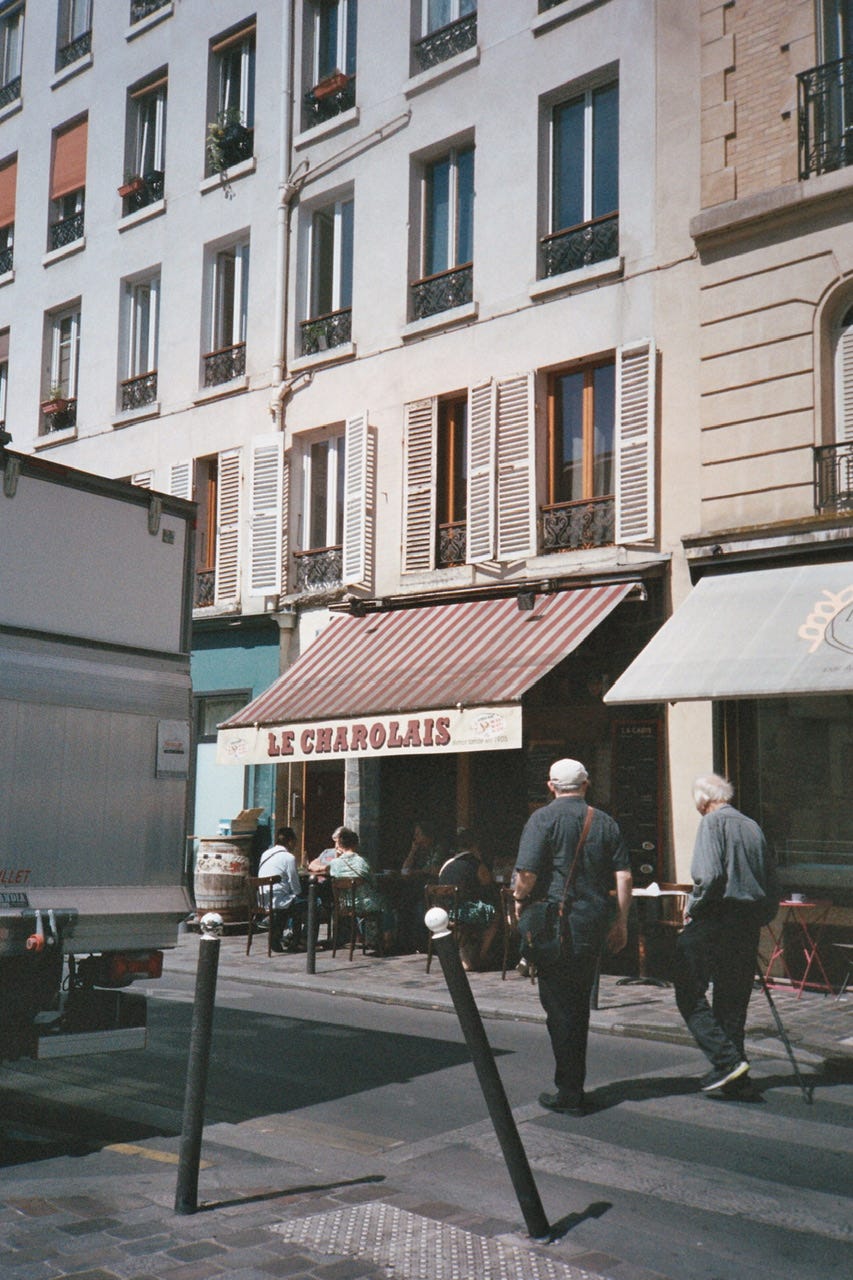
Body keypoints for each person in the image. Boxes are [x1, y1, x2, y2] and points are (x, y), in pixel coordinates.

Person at [513, 758, 632, 1116]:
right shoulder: (605, 821)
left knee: (558, 1008)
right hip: (592, 924)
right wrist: (621, 922)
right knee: (578, 1007)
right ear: (586, 784)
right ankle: (573, 1085)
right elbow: (624, 876)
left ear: (551, 786)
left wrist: (518, 900)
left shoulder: (542, 819)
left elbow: (527, 875)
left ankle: (569, 1092)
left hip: (556, 927)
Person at [674, 773, 780, 1096]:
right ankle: (737, 1078)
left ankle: (726, 1060)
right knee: (732, 999)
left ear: (703, 800)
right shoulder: (752, 826)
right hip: (747, 922)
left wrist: (693, 908)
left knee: (687, 989)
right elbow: (771, 880)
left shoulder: (712, 822)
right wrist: (761, 917)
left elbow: (709, 876)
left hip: (717, 917)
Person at [322, 827, 397, 953]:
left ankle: (369, 938)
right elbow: (374, 882)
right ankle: (386, 939)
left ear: (340, 845)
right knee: (385, 901)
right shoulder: (362, 862)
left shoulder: (335, 864)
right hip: (365, 904)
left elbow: (333, 875)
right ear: (355, 844)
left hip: (346, 905)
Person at [438, 828, 499, 971]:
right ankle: (481, 956)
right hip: (463, 913)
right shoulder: (476, 864)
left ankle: (464, 953)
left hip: (444, 912)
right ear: (476, 845)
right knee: (495, 915)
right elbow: (489, 886)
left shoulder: (447, 864)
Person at [257, 827, 306, 952]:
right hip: (279, 901)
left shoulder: (265, 854)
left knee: (288, 902)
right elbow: (295, 886)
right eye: (295, 842)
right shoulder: (289, 857)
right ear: (290, 842)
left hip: (263, 900)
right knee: (311, 904)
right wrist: (299, 893)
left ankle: (278, 937)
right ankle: (298, 941)